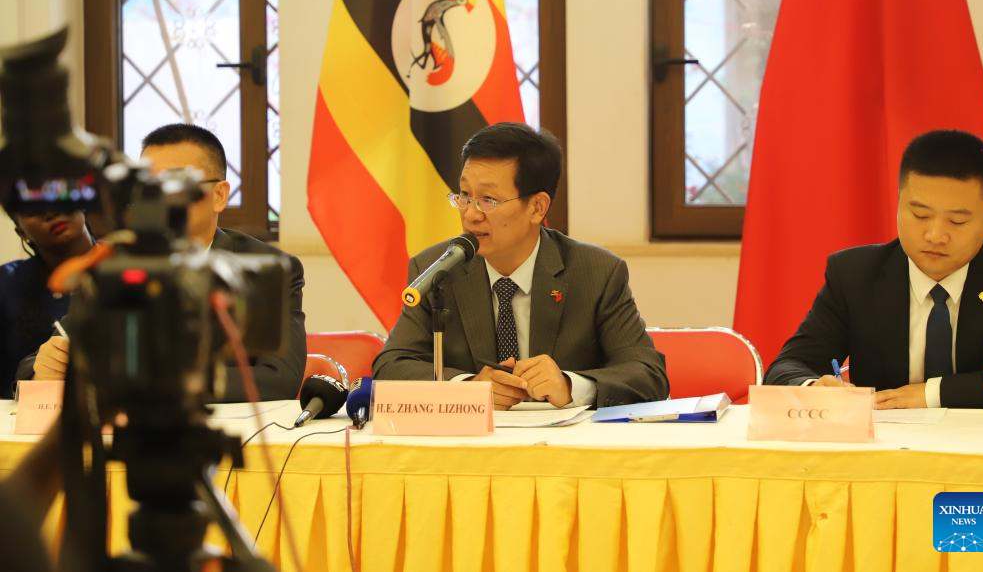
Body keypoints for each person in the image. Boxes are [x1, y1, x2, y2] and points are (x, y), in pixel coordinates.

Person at [373, 123, 668, 409]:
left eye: (488, 200)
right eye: (464, 196)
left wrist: (570, 386)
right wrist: (468, 387)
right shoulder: (437, 270)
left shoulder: (596, 272)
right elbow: (390, 366)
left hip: (564, 440)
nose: (470, 215)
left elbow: (647, 373)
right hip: (473, 439)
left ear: (537, 207)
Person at [17, 124, 307, 402]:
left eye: (175, 185)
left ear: (218, 195)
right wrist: (42, 369)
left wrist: (158, 384)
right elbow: (39, 360)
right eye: (149, 187)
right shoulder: (118, 262)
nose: (159, 200)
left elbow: (280, 377)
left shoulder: (266, 268)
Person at [764, 129, 983, 409]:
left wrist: (931, 394)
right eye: (920, 215)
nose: (935, 235)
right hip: (886, 436)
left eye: (957, 221)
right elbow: (787, 367)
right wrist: (813, 388)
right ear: (898, 204)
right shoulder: (854, 275)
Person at [0, 211, 92, 398]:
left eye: (60, 198)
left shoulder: (129, 264)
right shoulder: (7, 284)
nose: (51, 212)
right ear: (21, 231)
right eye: (33, 209)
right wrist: (35, 376)